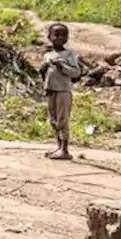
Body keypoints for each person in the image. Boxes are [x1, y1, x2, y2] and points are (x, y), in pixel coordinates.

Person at [42, 23, 82, 160]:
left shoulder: (69, 54)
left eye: (64, 35)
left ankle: (65, 149)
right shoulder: (48, 55)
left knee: (62, 120)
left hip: (63, 91)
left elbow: (76, 72)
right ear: (49, 37)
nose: (60, 38)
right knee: (53, 120)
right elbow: (45, 74)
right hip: (51, 90)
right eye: (56, 35)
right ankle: (58, 147)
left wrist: (61, 65)